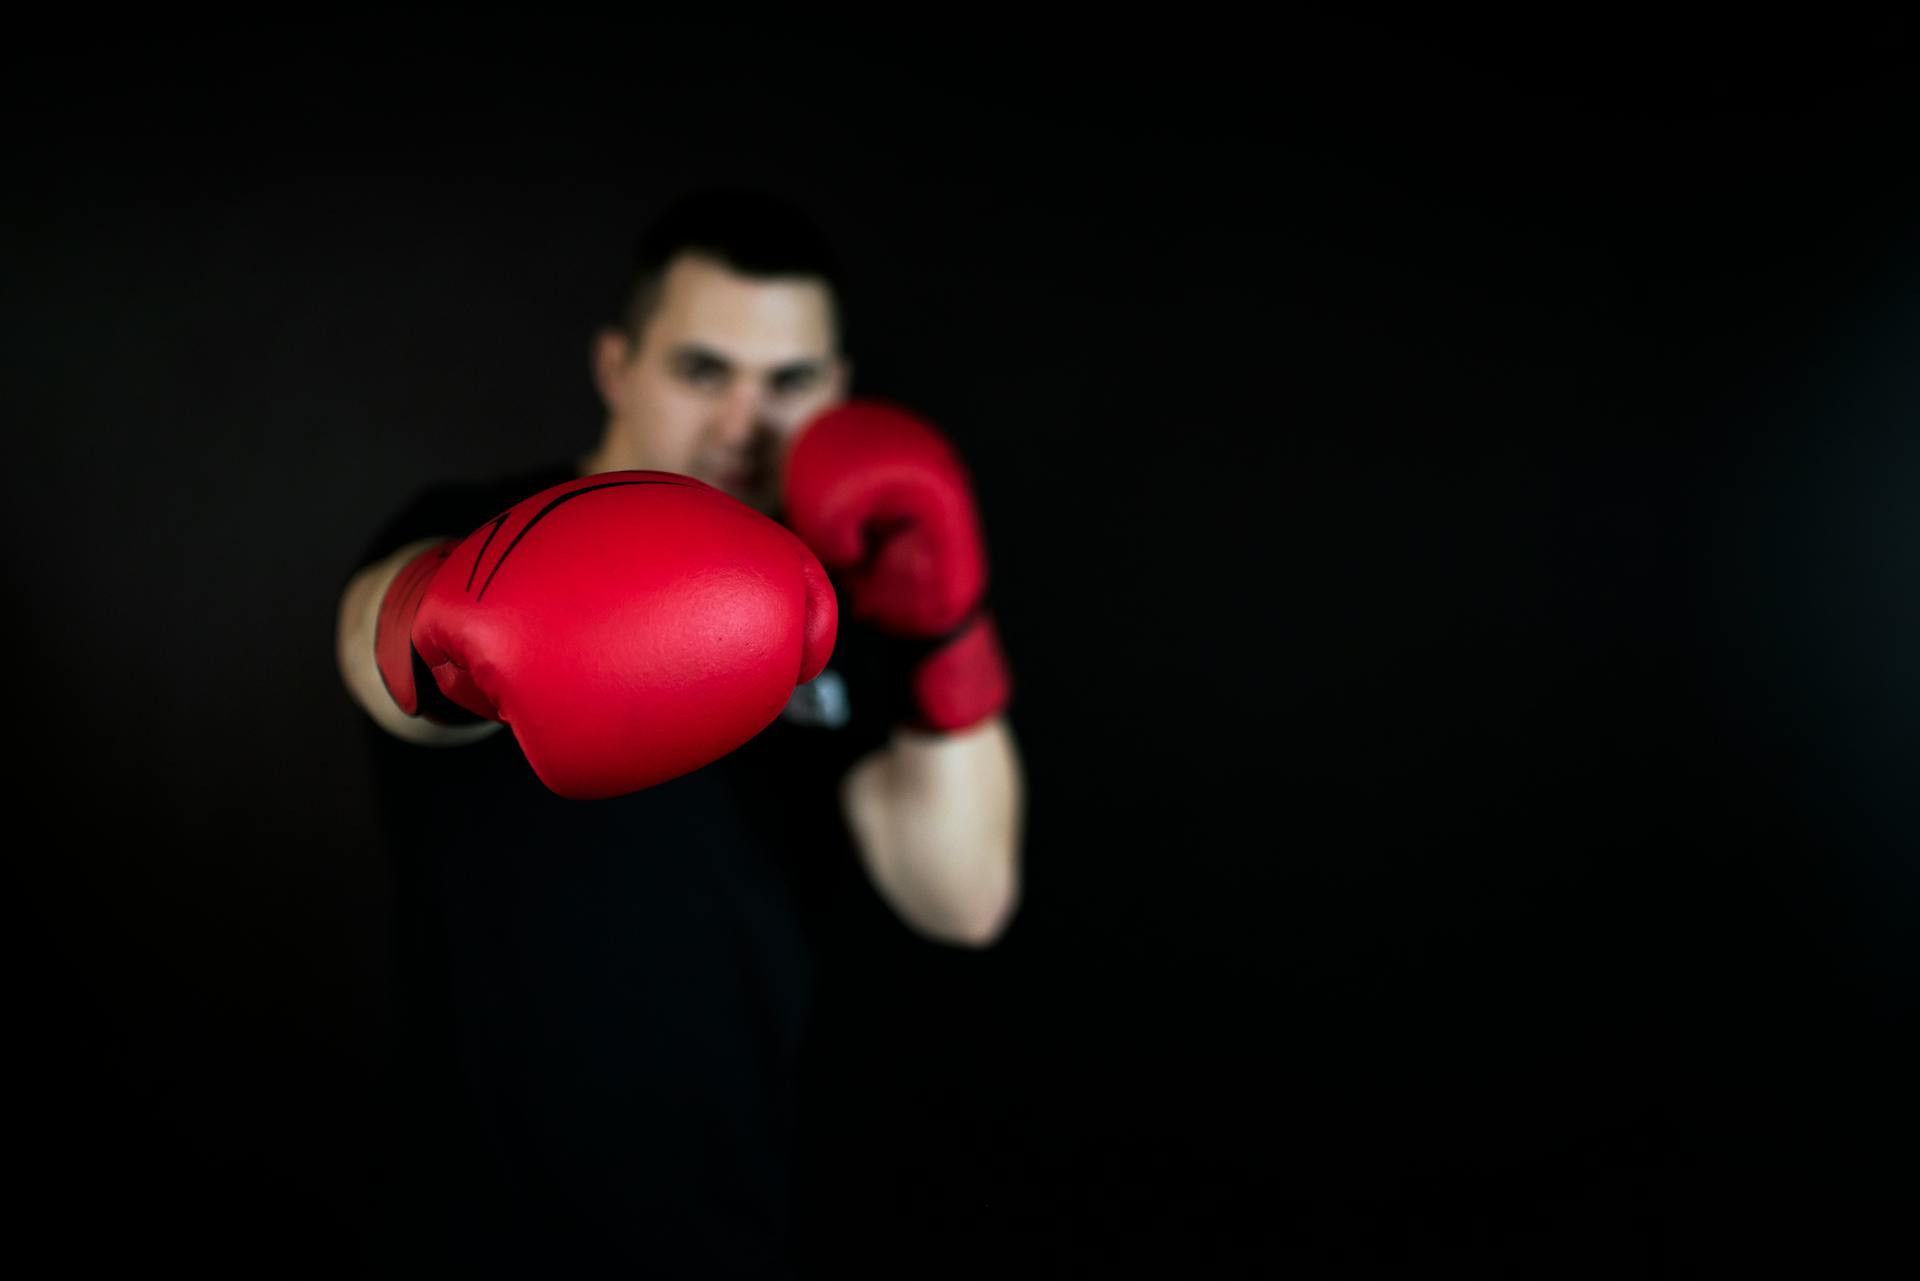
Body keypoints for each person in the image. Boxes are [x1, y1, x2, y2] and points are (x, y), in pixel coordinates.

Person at [333, 187, 1026, 1276]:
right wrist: (444, 613)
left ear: (839, 393)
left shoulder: (837, 604)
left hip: (729, 1228)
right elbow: (371, 656)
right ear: (617, 366)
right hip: (475, 1226)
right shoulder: (479, 531)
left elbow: (965, 897)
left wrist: (946, 625)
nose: (745, 424)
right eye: (704, 370)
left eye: (790, 383)